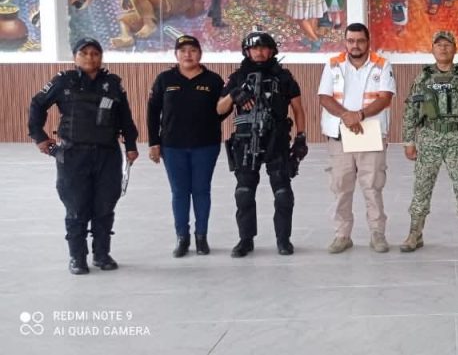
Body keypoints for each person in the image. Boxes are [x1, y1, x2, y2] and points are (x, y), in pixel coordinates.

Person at [28, 38, 139, 274]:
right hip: (73, 155)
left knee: (105, 206)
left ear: (101, 57)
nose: (90, 57)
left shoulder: (113, 84)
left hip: (107, 155)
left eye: (95, 53)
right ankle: (77, 258)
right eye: (84, 53)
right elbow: (37, 104)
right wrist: (39, 137)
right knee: (76, 208)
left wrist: (131, 145)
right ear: (75, 57)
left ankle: (102, 254)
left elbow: (125, 118)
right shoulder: (63, 81)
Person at [217, 31, 307, 258]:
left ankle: (283, 239)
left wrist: (301, 137)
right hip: (246, 144)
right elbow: (219, 109)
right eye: (254, 48)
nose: (259, 52)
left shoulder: (283, 77)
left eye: (263, 48)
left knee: (283, 194)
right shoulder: (238, 77)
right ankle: (245, 240)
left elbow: (298, 108)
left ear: (272, 51)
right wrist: (234, 94)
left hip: (276, 141)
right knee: (244, 193)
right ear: (247, 52)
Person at [400, 31, 458, 253]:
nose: (443, 48)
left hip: (457, 138)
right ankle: (414, 234)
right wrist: (409, 141)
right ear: (432, 49)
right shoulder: (423, 78)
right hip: (429, 137)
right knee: (422, 187)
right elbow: (411, 110)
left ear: (455, 49)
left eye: (447, 44)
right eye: (438, 45)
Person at [318, 23, 396, 254]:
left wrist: (359, 115)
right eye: (351, 41)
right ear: (345, 42)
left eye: (360, 41)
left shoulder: (382, 64)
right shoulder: (333, 64)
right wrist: (347, 116)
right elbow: (324, 97)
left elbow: (385, 97)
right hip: (340, 134)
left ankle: (377, 234)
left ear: (368, 42)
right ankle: (342, 235)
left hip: (369, 133)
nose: (355, 45)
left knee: (372, 186)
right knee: (341, 187)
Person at [147, 35, 226, 258]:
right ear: (176, 55)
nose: (188, 54)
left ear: (200, 53)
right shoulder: (164, 79)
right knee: (179, 192)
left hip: (206, 145)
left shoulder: (213, 80)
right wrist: (154, 142)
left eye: (193, 50)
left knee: (201, 190)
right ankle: (182, 237)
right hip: (173, 146)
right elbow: (153, 112)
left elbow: (222, 111)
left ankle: (201, 237)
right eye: (183, 51)